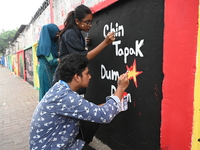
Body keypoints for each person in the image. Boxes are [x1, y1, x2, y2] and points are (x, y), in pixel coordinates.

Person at [29, 53, 129, 150]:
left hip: (58, 140)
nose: (90, 76)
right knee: (97, 116)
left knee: (92, 118)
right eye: (87, 73)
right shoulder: (65, 97)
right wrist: (120, 88)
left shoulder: (60, 87)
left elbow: (95, 111)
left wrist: (115, 103)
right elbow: (104, 115)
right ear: (77, 77)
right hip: (53, 147)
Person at [37, 23, 60, 101]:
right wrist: (63, 58)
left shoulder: (50, 44)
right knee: (48, 92)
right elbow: (52, 62)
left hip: (49, 70)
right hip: (46, 72)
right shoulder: (45, 46)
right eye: (55, 34)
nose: (57, 36)